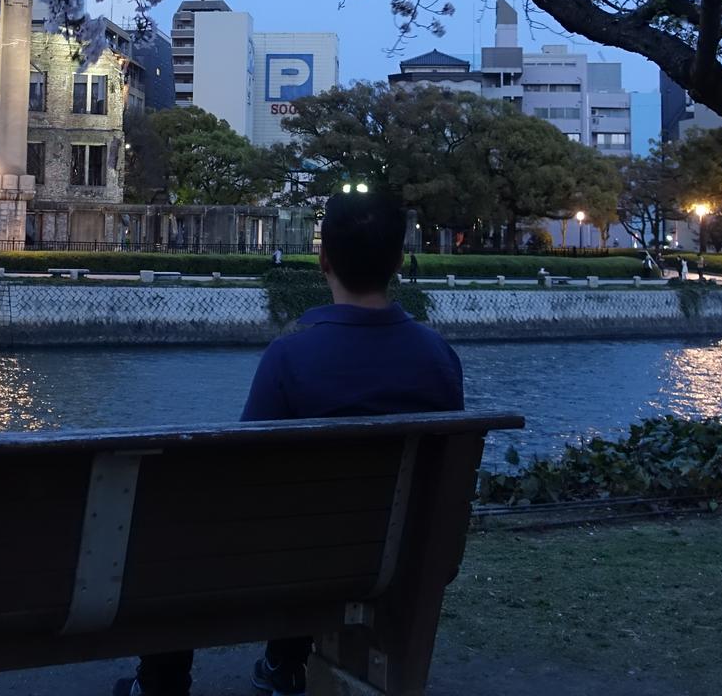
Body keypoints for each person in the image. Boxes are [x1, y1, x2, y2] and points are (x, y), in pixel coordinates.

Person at [115, 192, 463, 696]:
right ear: (397, 261)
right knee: (318, 523)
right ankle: (284, 664)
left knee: (181, 531)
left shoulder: (291, 357)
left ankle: (161, 684)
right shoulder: (439, 358)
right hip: (406, 558)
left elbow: (244, 472)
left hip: (296, 563)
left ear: (323, 260)